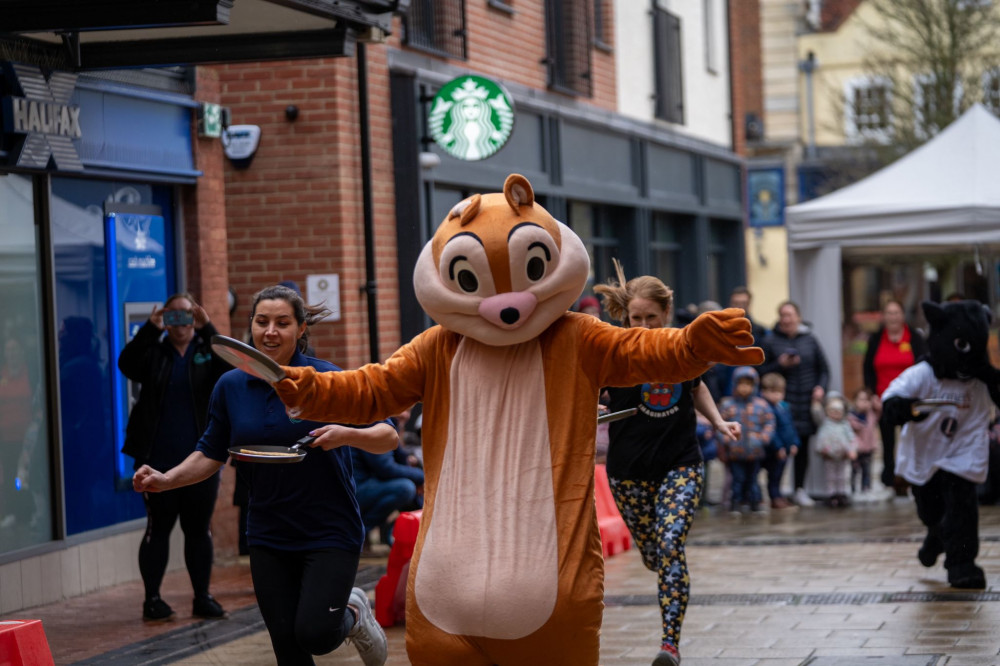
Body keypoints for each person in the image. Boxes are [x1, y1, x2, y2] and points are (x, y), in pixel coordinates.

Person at [132, 284, 395, 665]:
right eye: (262, 321)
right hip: (269, 532)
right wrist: (166, 479)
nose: (270, 331)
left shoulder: (326, 380)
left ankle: (353, 614)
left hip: (329, 530)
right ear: (251, 326)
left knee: (315, 634)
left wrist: (346, 435)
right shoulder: (231, 386)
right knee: (288, 646)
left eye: (282, 323)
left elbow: (386, 435)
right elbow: (211, 451)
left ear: (301, 329)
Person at [594, 262, 741, 666]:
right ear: (626, 317)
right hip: (627, 473)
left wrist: (718, 420)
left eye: (651, 318)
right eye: (635, 318)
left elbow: (697, 385)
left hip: (681, 465)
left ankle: (669, 646)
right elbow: (585, 388)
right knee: (655, 553)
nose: (642, 325)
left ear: (666, 314)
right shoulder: (613, 352)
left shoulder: (681, 346)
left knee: (671, 544)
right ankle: (655, 554)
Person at [117, 293, 230, 622]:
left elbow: (232, 368)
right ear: (164, 318)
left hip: (201, 459)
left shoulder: (208, 351)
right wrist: (150, 331)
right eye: (173, 316)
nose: (180, 323)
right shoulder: (153, 352)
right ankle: (152, 600)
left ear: (194, 317)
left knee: (199, 530)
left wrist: (208, 327)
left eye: (186, 315)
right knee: (158, 528)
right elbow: (127, 364)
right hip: (156, 458)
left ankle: (202, 597)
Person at [758, 300, 830, 507]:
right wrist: (779, 365)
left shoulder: (810, 340)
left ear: (798, 317)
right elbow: (761, 371)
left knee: (802, 448)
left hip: (806, 403)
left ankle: (799, 489)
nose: (786, 319)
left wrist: (820, 388)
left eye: (790, 315)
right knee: (778, 450)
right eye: (783, 315)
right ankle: (776, 493)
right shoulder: (770, 341)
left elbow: (824, 369)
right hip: (780, 407)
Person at [862, 299, 927, 492]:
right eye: (889, 313)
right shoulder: (876, 339)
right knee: (888, 442)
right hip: (884, 399)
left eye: (896, 313)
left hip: (910, 399)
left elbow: (923, 366)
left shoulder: (914, 337)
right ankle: (890, 480)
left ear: (902, 315)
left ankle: (914, 477)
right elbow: (867, 368)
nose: (893, 317)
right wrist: (872, 394)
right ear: (884, 316)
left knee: (913, 439)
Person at [353, 411, 425, 551]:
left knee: (411, 486)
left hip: (368, 483)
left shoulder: (392, 426)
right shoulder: (373, 421)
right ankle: (358, 531)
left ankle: (413, 536)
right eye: (400, 409)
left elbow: (399, 460)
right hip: (355, 488)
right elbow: (386, 468)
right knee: (405, 488)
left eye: (409, 410)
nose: (405, 414)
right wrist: (422, 477)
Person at [718, 366, 774, 515]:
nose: (744, 388)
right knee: (737, 479)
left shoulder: (761, 405)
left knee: (754, 479)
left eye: (748, 384)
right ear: (735, 385)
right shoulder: (728, 405)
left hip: (755, 451)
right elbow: (719, 424)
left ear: (754, 385)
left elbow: (769, 423)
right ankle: (736, 503)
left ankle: (755, 503)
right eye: (741, 384)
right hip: (735, 452)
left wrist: (763, 438)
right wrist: (726, 440)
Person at [759, 372, 800, 510]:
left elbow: (791, 427)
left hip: (786, 448)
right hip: (772, 450)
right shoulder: (764, 408)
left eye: (779, 392)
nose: (776, 395)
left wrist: (794, 443)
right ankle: (773, 497)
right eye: (772, 392)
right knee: (772, 475)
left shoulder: (784, 407)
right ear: (763, 391)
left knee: (779, 475)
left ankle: (778, 496)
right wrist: (778, 447)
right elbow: (772, 431)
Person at [813, 394, 856, 508]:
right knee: (830, 476)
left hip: (843, 454)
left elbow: (851, 438)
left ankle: (841, 493)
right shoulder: (825, 422)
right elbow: (817, 413)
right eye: (832, 410)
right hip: (829, 454)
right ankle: (831, 495)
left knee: (842, 475)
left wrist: (852, 450)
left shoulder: (845, 425)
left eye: (838, 411)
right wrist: (816, 403)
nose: (836, 414)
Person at [849, 387, 880, 498]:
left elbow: (879, 410)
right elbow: (856, 427)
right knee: (855, 470)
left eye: (866, 400)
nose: (864, 403)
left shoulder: (871, 415)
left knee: (867, 471)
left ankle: (866, 489)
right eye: (861, 399)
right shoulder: (852, 416)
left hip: (868, 448)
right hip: (856, 449)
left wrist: (874, 402)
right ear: (855, 401)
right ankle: (853, 490)